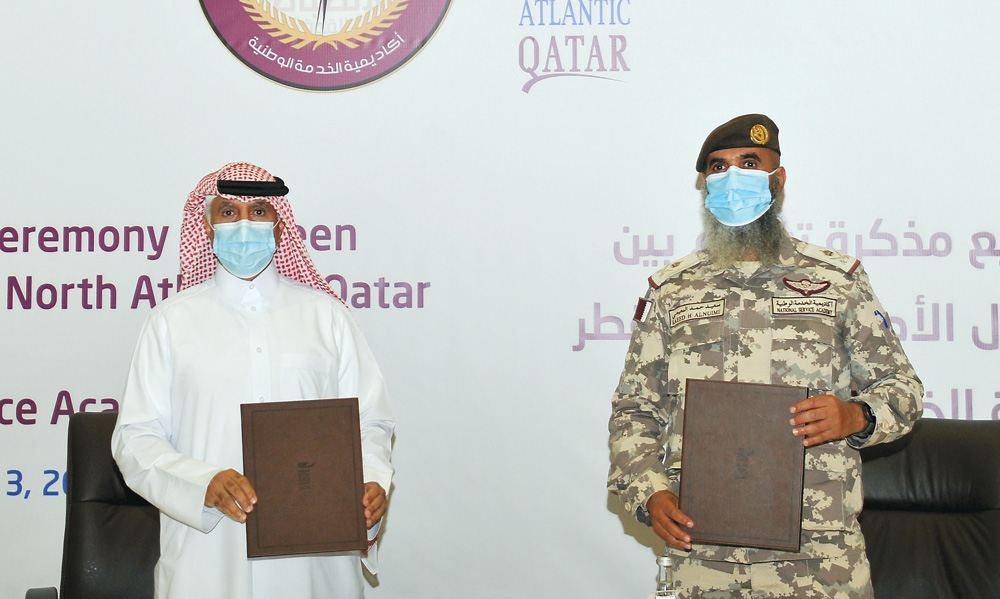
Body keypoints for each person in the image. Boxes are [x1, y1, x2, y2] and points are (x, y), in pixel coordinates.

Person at [607, 114, 923, 598]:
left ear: (778, 179)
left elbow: (902, 389)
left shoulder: (837, 281)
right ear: (705, 186)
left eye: (749, 163)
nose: (733, 178)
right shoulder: (672, 290)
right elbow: (634, 410)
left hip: (819, 558)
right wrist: (649, 491)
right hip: (701, 553)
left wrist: (855, 414)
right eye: (718, 167)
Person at [112, 162, 394, 599]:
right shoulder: (170, 322)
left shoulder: (327, 318)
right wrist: (201, 482)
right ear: (206, 227)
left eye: (259, 211)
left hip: (315, 565)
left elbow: (370, 422)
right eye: (228, 212)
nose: (244, 224)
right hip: (208, 560)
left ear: (280, 227)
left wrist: (373, 480)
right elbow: (135, 438)